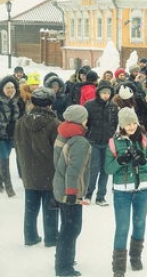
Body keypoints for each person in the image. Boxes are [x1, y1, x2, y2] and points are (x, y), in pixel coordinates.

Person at [105, 107, 147, 277]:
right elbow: (108, 169)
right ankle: (118, 265)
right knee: (122, 227)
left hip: (142, 190)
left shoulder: (144, 139)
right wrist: (120, 160)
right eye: (128, 124)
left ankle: (135, 256)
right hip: (122, 192)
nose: (132, 126)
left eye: (134, 122)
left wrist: (142, 161)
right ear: (121, 125)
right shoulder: (113, 142)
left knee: (139, 223)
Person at [14, 87, 60, 247]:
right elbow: (58, 150)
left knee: (30, 208)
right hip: (49, 172)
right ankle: (51, 237)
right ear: (49, 105)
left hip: (28, 170)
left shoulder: (20, 122)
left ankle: (30, 236)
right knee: (51, 209)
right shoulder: (54, 123)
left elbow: (18, 146)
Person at [53, 105, 91, 277]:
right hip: (70, 190)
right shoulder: (79, 142)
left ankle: (64, 258)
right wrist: (71, 193)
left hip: (60, 185)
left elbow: (57, 162)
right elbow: (73, 170)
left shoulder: (63, 134)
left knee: (66, 226)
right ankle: (64, 267)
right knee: (72, 228)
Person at [84, 81, 119, 205]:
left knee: (105, 169)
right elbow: (85, 123)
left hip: (107, 142)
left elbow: (115, 123)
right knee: (94, 168)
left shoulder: (113, 106)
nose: (106, 95)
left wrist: (111, 135)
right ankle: (88, 194)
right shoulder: (89, 105)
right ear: (98, 92)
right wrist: (88, 135)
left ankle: (100, 196)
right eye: (104, 92)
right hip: (93, 141)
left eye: (108, 93)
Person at [0, 75, 22, 197]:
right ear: (3, 89)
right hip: (1, 136)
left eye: (12, 87)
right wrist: (5, 127)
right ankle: (9, 189)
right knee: (4, 160)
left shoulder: (16, 101)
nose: (10, 90)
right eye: (7, 87)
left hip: (11, 136)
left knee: (4, 157)